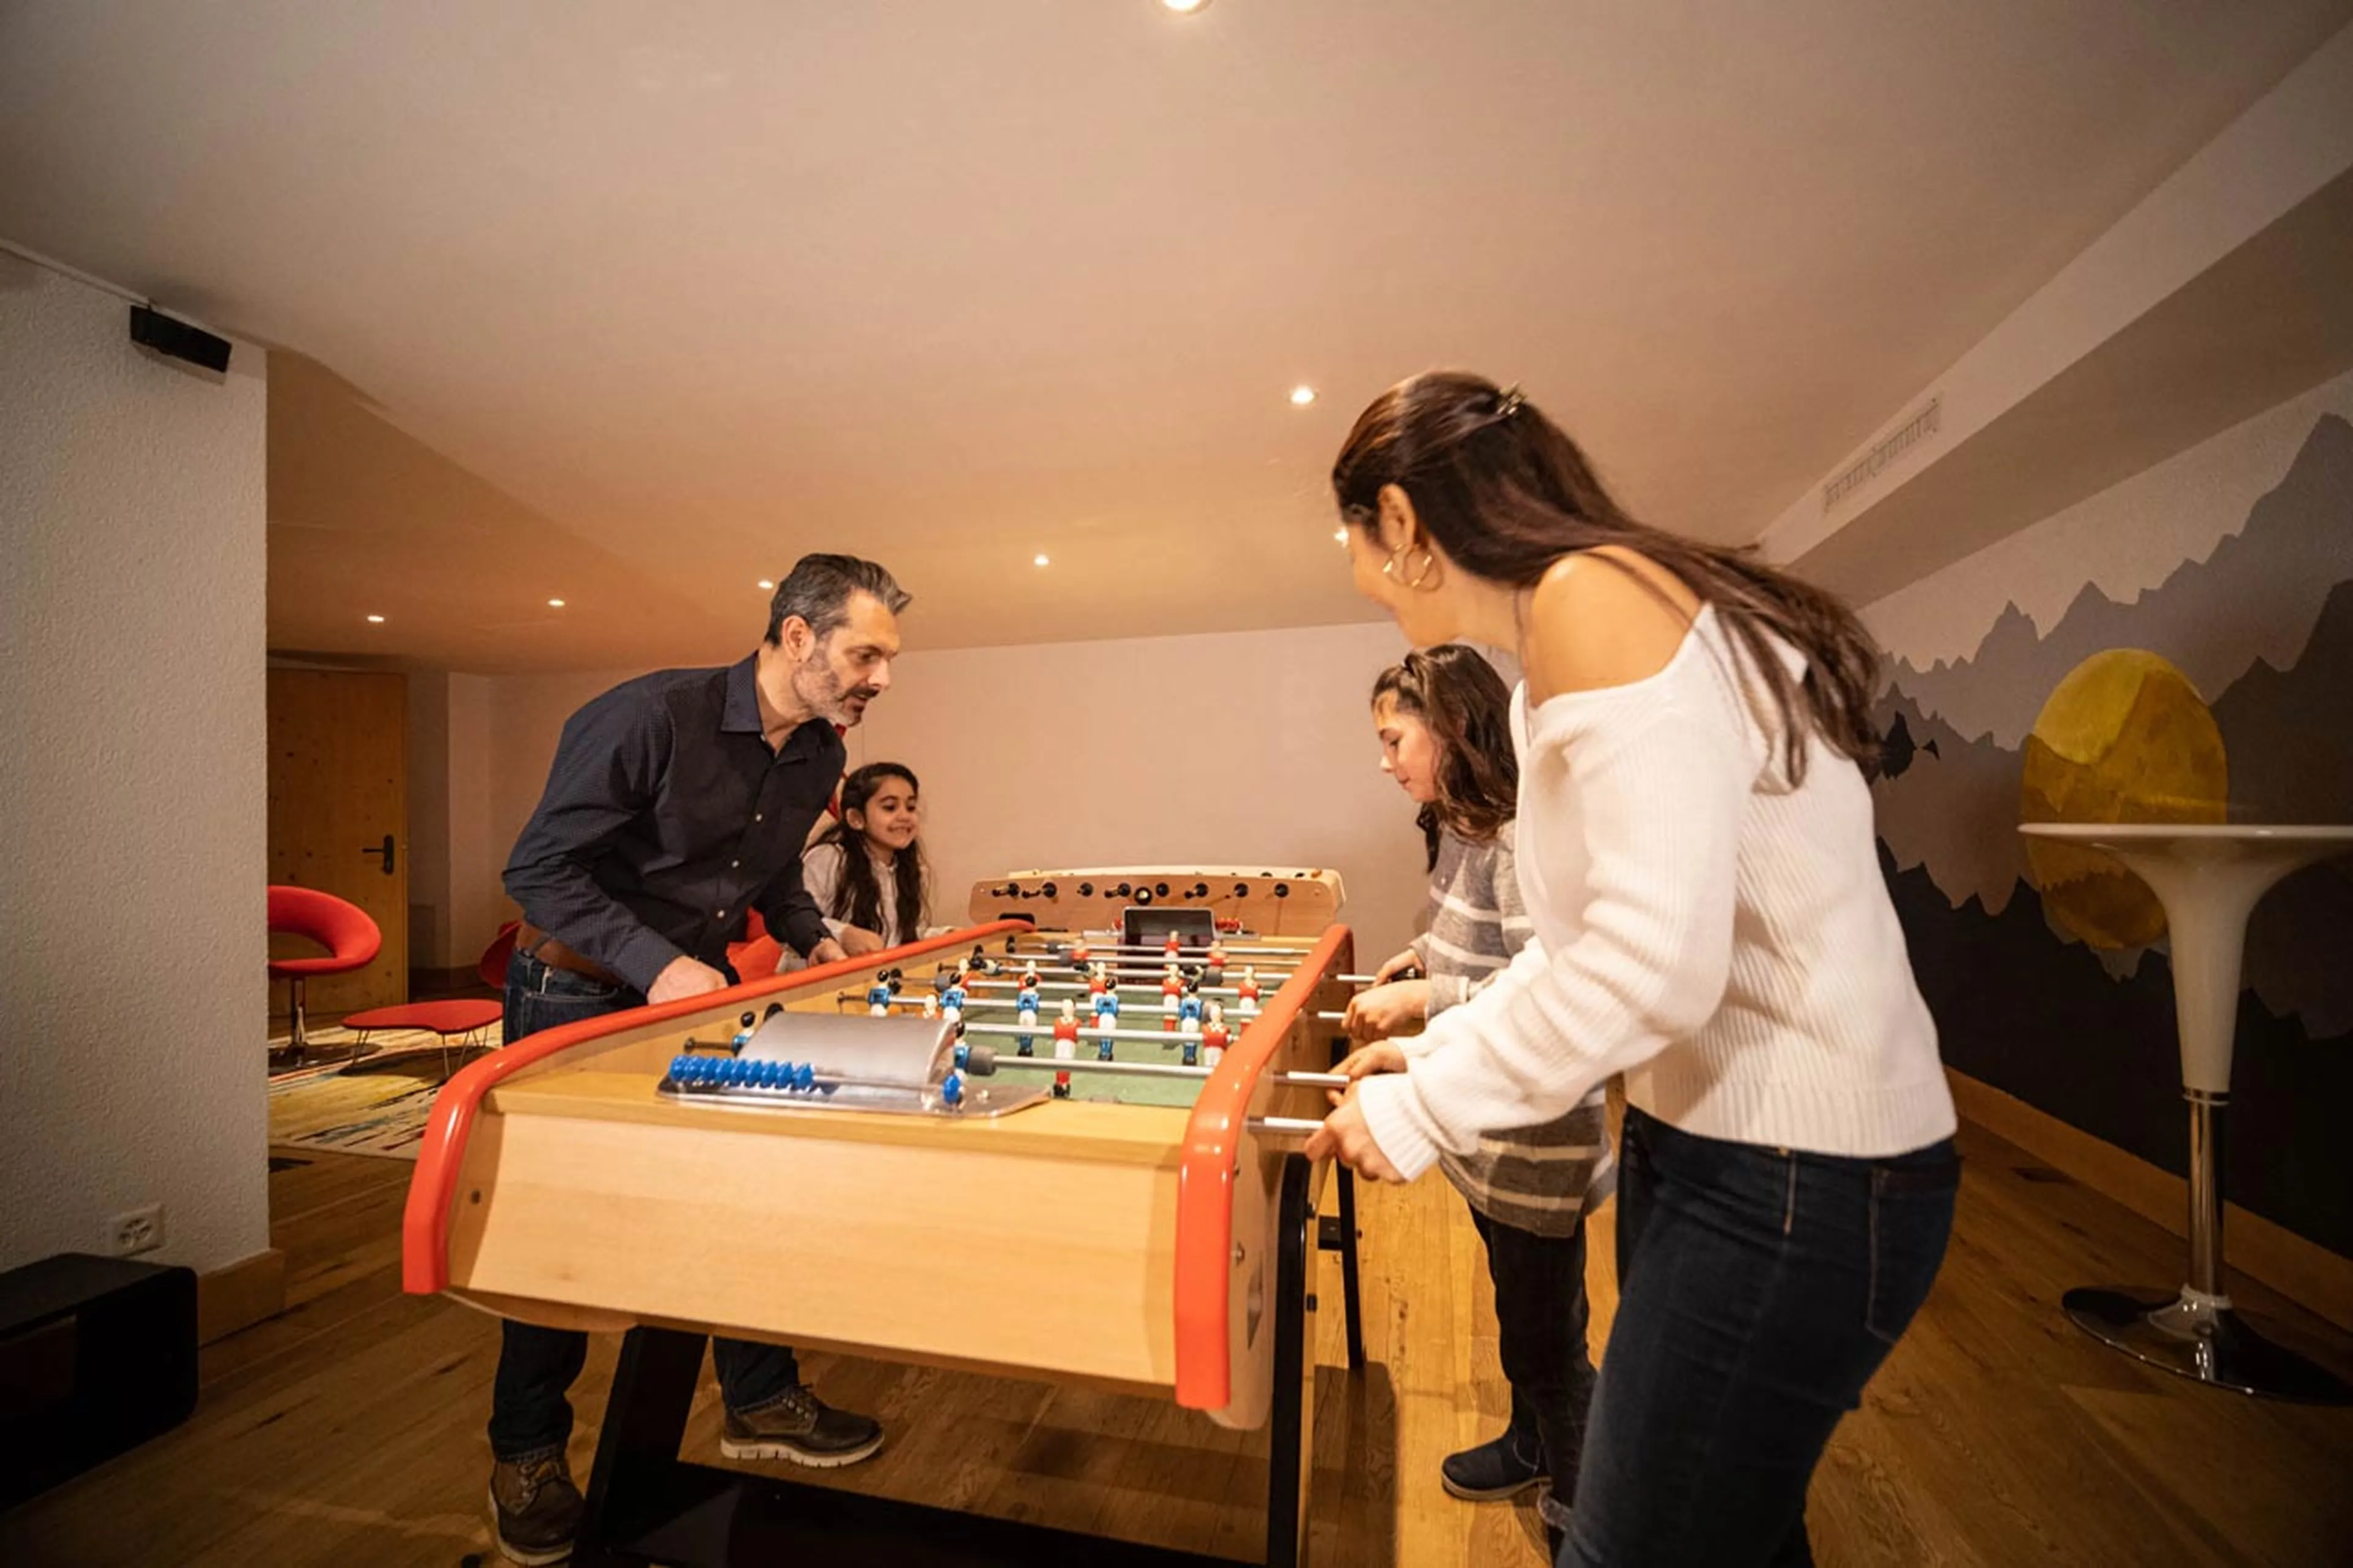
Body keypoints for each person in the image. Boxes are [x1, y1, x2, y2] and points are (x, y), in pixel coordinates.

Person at [1303, 374, 1958, 1568]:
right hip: (1731, 1150)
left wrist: (1422, 1107)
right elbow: (1594, 932)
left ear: (1400, 521)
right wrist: (1444, 1043)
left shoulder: (1594, 604)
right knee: (1738, 1533)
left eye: (1352, 536)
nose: (1354, 571)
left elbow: (1650, 962)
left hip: (1798, 1170)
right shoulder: (1587, 621)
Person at [488, 553, 907, 1566]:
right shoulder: (646, 716)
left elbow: (762, 875)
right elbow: (536, 868)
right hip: (575, 990)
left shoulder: (817, 753)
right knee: (560, 1230)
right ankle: (528, 1454)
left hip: (686, 991)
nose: (880, 678)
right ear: (796, 636)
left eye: (889, 660)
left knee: (734, 1186)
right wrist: (653, 960)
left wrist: (813, 931)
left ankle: (759, 1396)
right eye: (865, 654)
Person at [1339, 644, 1610, 1529]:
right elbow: (1477, 937)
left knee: (1547, 1339)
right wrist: (1421, 955)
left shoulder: (1524, 831)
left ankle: (1585, 1505)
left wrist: (1426, 996)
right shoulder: (1462, 823)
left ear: (1452, 726)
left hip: (1536, 1126)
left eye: (1394, 739)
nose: (1385, 763)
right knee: (1518, 1308)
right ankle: (1533, 1444)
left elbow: (1553, 976)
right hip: (1487, 1129)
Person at [794, 762, 932, 958]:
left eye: (911, 807)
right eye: (890, 807)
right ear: (856, 818)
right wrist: (843, 935)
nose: (905, 816)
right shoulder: (828, 858)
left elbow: (898, 937)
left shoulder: (910, 868)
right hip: (815, 981)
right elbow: (795, 924)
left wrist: (940, 936)